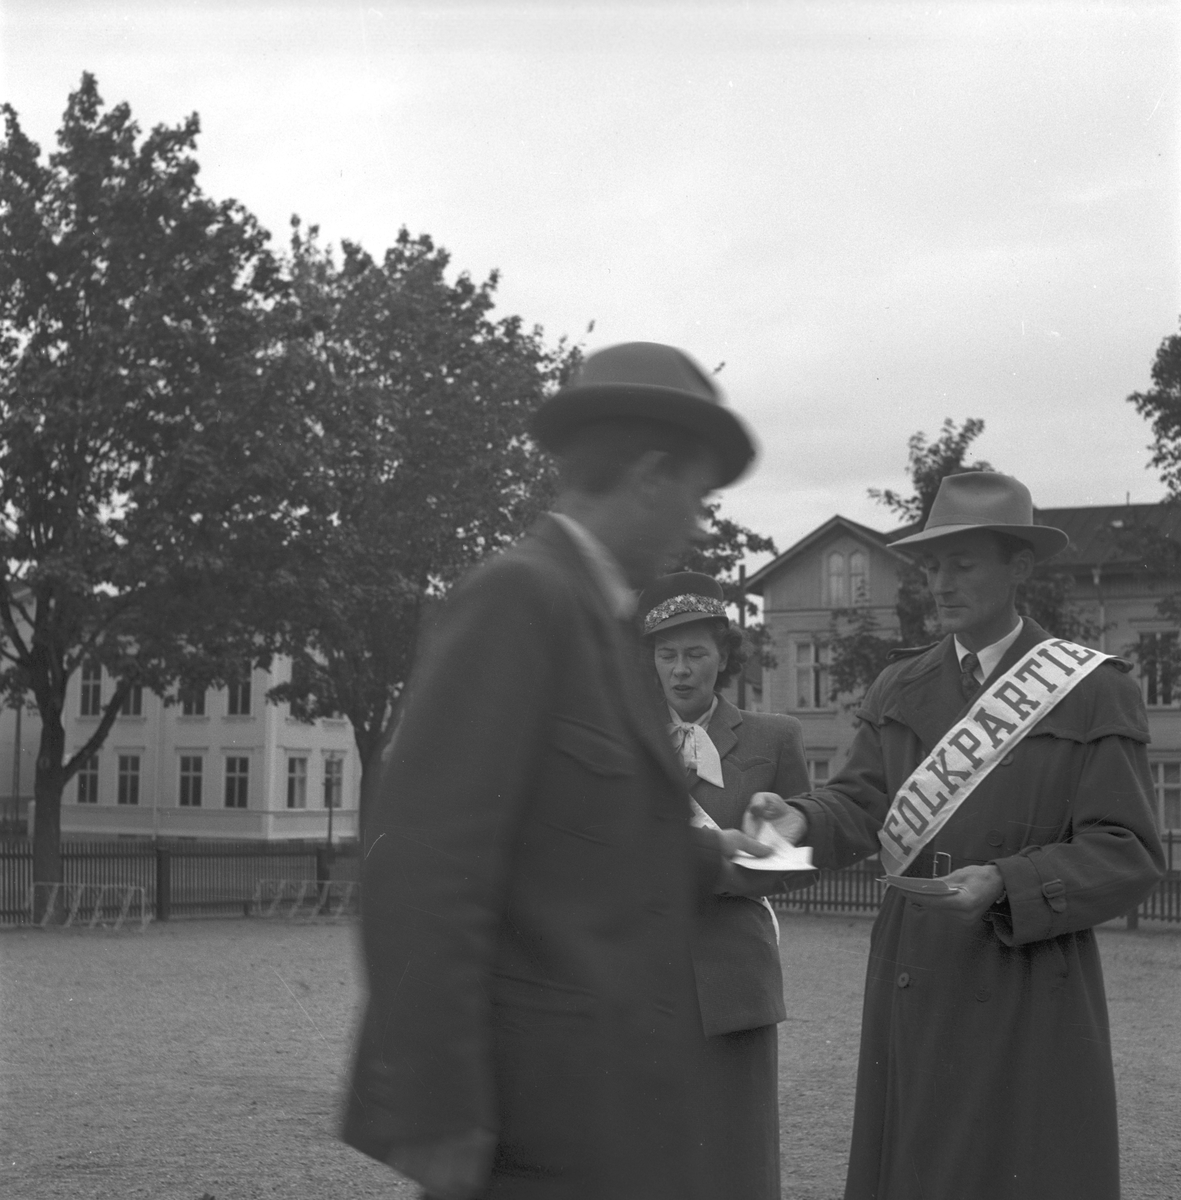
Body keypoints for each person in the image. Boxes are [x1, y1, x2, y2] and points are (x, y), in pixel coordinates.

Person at [341, 341, 775, 1200]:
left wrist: (723, 853)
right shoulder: (520, 596)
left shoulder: (600, 621)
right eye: (695, 498)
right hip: (528, 1127)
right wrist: (438, 1110)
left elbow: (590, 836)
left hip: (602, 1113)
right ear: (650, 475)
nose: (697, 525)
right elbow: (421, 867)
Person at [768, 471, 1165, 1200]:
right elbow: (860, 802)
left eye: (962, 563)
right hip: (915, 966)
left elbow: (1127, 850)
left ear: (1019, 567)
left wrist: (1006, 883)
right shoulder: (900, 685)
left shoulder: (1091, 688)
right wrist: (801, 819)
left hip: (1024, 974)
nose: (940, 583)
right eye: (931, 565)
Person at [637, 571, 810, 1200]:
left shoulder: (774, 737)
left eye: (696, 654)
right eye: (667, 655)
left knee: (736, 1158)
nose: (681, 671)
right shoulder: (620, 739)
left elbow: (796, 862)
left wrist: (751, 857)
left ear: (725, 655)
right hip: (636, 972)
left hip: (732, 977)